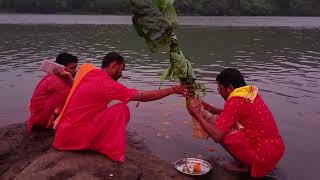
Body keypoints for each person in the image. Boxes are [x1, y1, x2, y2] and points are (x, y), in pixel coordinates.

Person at [52, 51, 192, 162]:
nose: (122, 74)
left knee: (115, 104)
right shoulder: (107, 84)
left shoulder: (90, 72)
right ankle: (108, 149)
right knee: (121, 109)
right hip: (73, 138)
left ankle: (94, 141)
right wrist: (173, 90)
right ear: (114, 66)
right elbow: (142, 96)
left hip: (64, 134)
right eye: (121, 69)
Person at [187, 68, 285, 177]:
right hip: (273, 150)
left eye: (220, 88)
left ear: (230, 88)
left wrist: (197, 115)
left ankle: (245, 165)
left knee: (214, 124)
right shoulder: (249, 94)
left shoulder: (235, 101)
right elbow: (230, 114)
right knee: (220, 121)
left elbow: (217, 136)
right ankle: (244, 162)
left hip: (262, 154)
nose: (219, 92)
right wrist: (206, 106)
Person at [27, 52, 78, 132]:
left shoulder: (56, 77)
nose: (75, 71)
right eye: (72, 68)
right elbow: (77, 94)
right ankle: (50, 124)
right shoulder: (56, 81)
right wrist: (70, 79)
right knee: (70, 97)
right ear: (61, 69)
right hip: (40, 120)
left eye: (76, 68)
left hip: (37, 116)